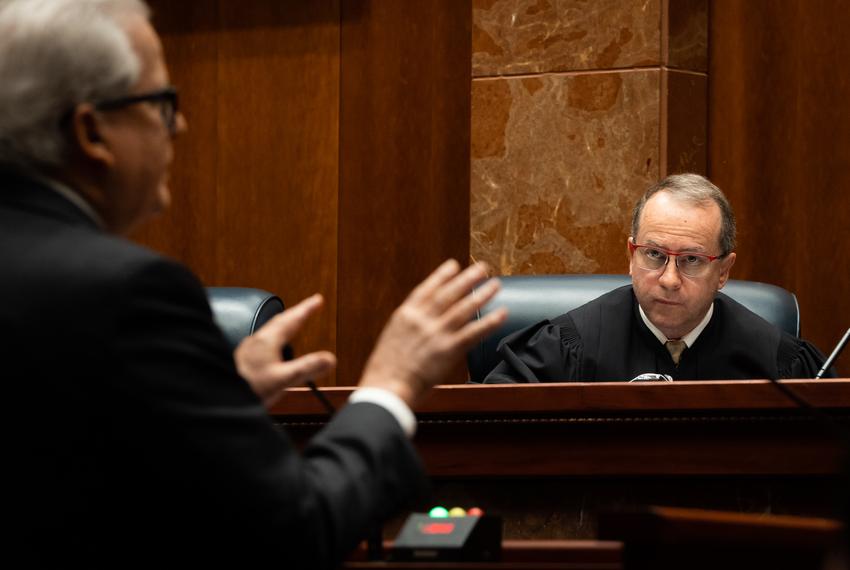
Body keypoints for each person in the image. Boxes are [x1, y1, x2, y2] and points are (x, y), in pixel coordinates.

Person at [0, 1, 506, 567]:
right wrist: (390, 387)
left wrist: (215, 398)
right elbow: (291, 532)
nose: (181, 124)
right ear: (91, 131)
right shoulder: (129, 294)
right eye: (162, 103)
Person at [483, 173, 833, 383]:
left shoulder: (780, 362)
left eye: (692, 260)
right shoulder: (565, 347)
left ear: (723, 271)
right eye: (654, 255)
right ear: (631, 257)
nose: (669, 279)